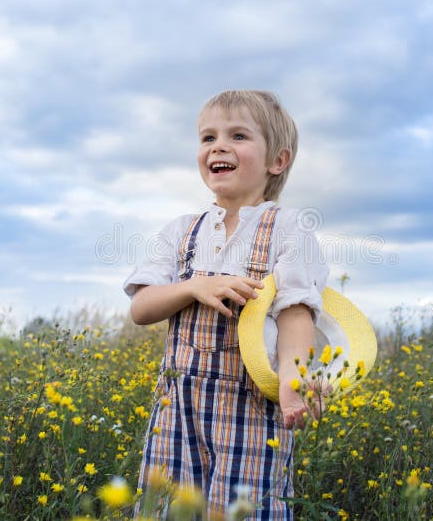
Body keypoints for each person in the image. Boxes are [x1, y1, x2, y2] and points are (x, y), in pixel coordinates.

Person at [123, 90, 328, 519]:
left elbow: (295, 314)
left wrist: (294, 386)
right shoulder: (182, 231)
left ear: (278, 160)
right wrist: (195, 286)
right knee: (169, 510)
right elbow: (142, 307)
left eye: (238, 136)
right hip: (177, 408)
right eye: (207, 138)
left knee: (243, 511)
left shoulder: (287, 229)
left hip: (251, 410)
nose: (218, 146)